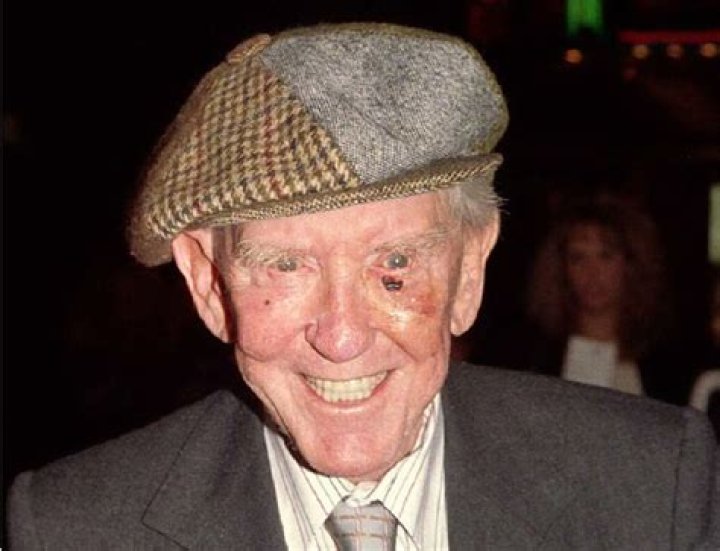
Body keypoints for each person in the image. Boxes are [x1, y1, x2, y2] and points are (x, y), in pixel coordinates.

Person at [7, 23, 718, 549]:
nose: (342, 337)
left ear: (469, 270)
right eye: (286, 266)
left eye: (394, 265)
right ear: (207, 282)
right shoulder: (73, 528)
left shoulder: (653, 486)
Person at [523, 193, 695, 405]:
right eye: (578, 258)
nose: (592, 273)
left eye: (606, 256)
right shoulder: (537, 357)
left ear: (631, 265)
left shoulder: (664, 362)